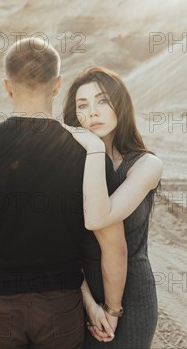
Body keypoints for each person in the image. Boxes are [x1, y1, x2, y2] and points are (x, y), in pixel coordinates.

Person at [0, 38, 128, 348]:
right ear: (57, 85)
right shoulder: (87, 156)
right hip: (61, 308)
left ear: (7, 86)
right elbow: (114, 246)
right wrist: (112, 309)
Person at [60, 66, 163, 348]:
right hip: (77, 290)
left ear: (121, 104)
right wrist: (90, 303)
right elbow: (60, 246)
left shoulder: (146, 165)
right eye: (83, 105)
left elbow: (98, 217)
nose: (93, 112)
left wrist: (113, 309)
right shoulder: (66, 165)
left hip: (132, 294)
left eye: (103, 100)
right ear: (74, 115)